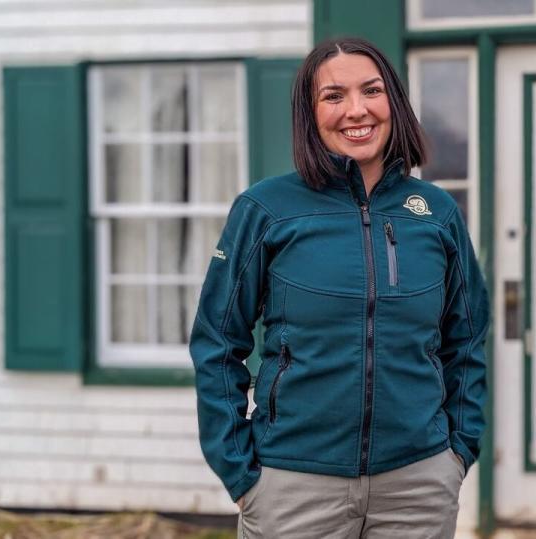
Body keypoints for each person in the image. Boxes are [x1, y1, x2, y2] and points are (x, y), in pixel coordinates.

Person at [189, 36, 490, 539]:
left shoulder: (435, 213)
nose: (357, 110)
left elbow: (467, 340)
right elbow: (217, 343)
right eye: (333, 96)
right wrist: (240, 472)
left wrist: (458, 452)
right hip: (294, 487)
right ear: (311, 114)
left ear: (393, 100)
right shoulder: (266, 210)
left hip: (417, 486)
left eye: (371, 91)